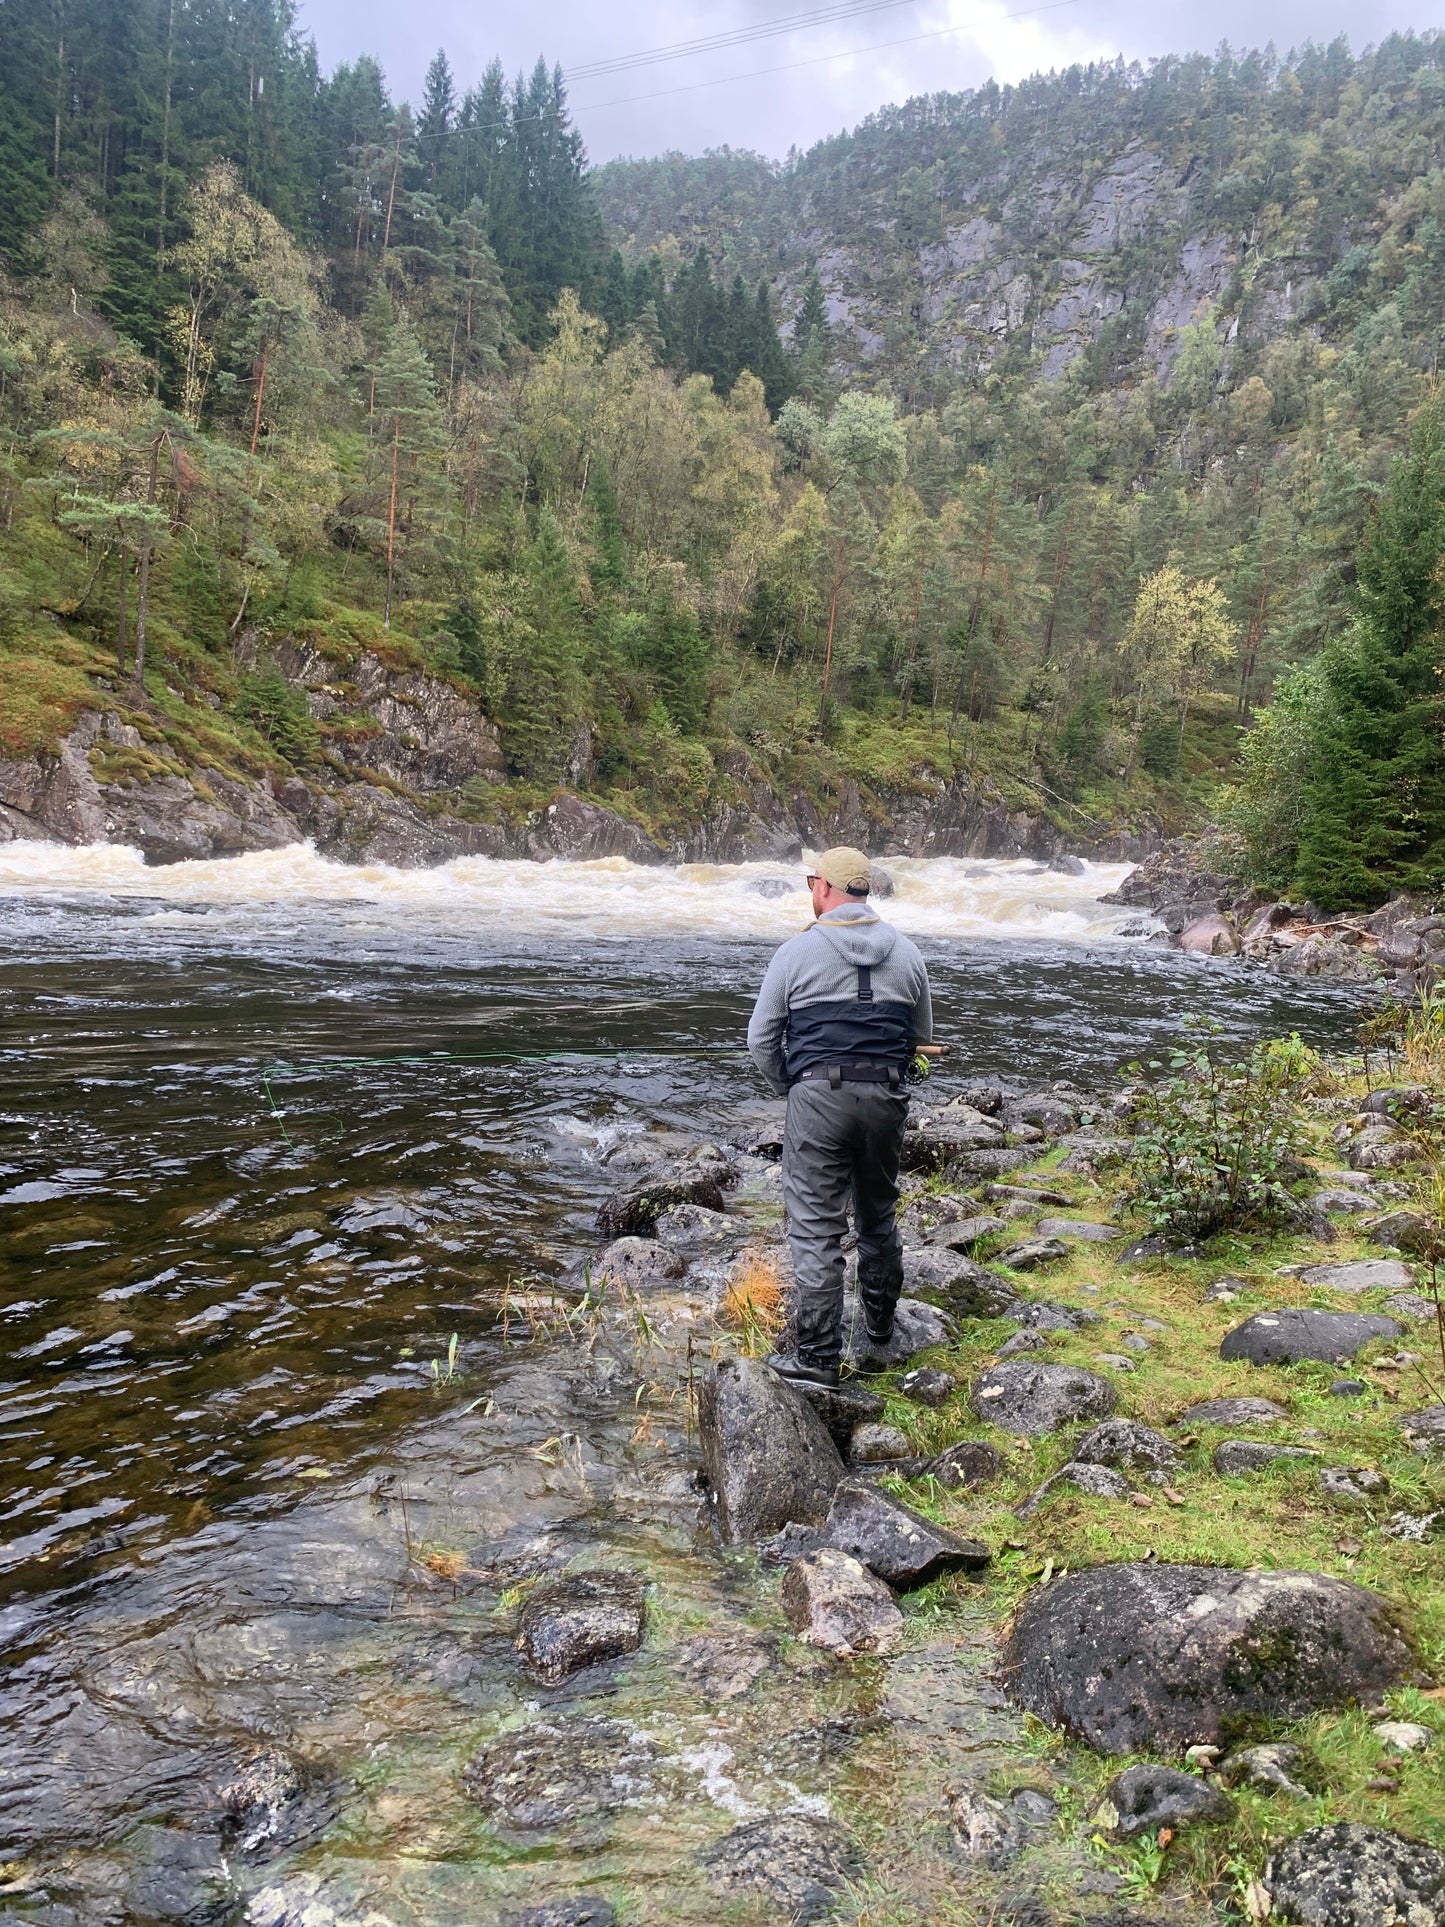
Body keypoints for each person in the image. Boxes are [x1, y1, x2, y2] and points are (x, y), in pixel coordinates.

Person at [746, 846, 933, 1388]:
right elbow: (919, 1039)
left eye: (811, 882)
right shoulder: (908, 953)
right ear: (864, 890)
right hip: (886, 1099)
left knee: (815, 1226)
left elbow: (761, 1040)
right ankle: (878, 1328)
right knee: (878, 1214)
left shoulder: (794, 952)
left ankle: (818, 1356)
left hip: (817, 1100)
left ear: (823, 888)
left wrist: (790, 1087)